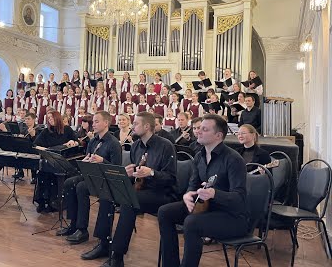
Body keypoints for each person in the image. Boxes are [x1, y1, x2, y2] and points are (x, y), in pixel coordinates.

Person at [82, 112, 177, 267]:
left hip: (162, 193)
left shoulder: (166, 146)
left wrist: (152, 172)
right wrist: (128, 173)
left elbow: (171, 179)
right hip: (140, 189)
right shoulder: (136, 146)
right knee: (108, 191)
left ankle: (117, 255)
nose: (133, 127)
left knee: (129, 200)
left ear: (147, 126)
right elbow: (135, 175)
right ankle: (103, 244)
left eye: (136, 124)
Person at [157, 114, 248, 267]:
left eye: (204, 129)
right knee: (165, 212)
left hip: (233, 217)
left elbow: (239, 199)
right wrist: (187, 195)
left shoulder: (233, 159)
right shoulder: (199, 156)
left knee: (192, 222)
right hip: (205, 208)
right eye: (198, 128)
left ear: (218, 135)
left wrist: (215, 193)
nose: (198, 131)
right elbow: (193, 185)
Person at [59, 111, 122, 245]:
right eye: (93, 121)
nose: (93, 124)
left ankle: (82, 229)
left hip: (105, 179)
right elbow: (87, 158)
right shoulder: (93, 141)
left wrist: (102, 161)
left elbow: (116, 169)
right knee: (69, 183)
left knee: (81, 187)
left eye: (96, 121)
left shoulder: (114, 143)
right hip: (92, 175)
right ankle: (74, 223)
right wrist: (86, 160)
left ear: (106, 123)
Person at [33, 110, 78, 212]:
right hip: (50, 159)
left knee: (55, 175)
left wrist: (73, 142)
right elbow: (36, 145)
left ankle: (56, 203)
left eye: (52, 118)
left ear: (57, 118)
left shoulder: (67, 130)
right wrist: (46, 150)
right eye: (49, 118)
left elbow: (76, 142)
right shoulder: (46, 131)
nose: (50, 120)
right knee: (43, 174)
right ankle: (43, 201)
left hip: (63, 162)